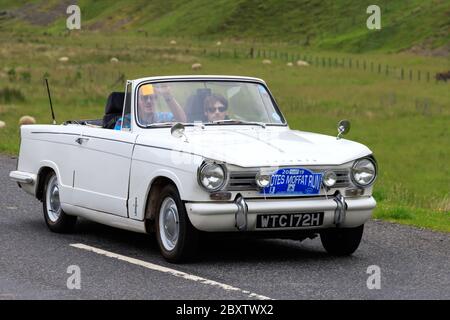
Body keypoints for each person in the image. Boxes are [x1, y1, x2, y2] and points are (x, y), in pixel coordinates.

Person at [114, 83, 186, 130]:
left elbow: (182, 121)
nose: (149, 101)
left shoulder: (163, 117)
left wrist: (167, 95)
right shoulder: (125, 122)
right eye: (144, 98)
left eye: (153, 97)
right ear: (137, 102)